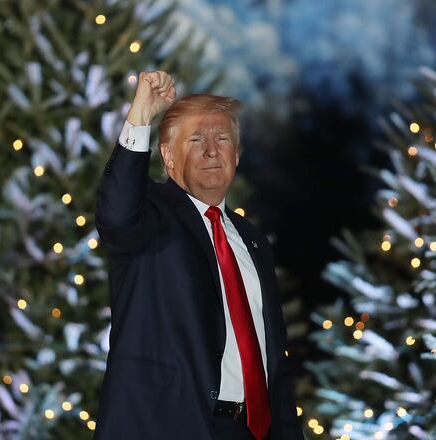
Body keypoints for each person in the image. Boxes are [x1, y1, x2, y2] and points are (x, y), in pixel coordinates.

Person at [93, 70, 304, 439]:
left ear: (236, 155)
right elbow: (116, 211)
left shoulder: (252, 240)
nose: (211, 150)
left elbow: (274, 361)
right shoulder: (150, 217)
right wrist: (141, 114)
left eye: (222, 139)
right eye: (195, 139)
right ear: (168, 157)